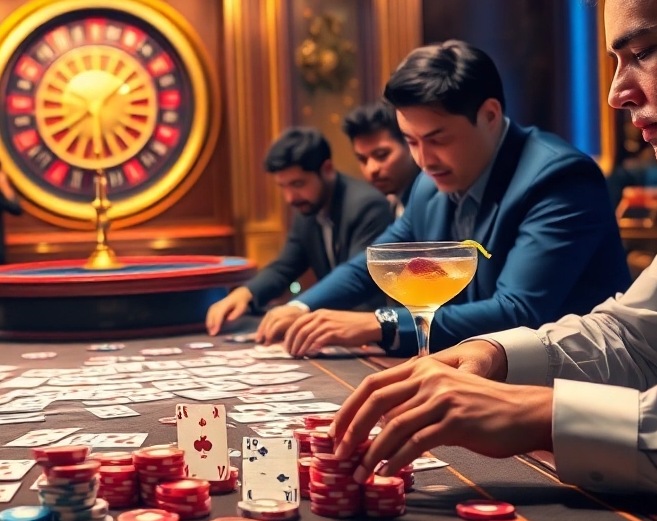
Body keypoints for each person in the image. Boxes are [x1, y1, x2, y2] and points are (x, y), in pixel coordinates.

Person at [330, 0, 657, 512]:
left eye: (641, 52)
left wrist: (546, 413)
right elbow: (633, 338)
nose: (618, 92)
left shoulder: (557, 173)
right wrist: (493, 358)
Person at [257, 41, 631, 357]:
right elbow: (376, 262)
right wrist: (301, 306)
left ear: (489, 115)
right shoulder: (428, 185)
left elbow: (520, 311)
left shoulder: (558, 178)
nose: (423, 159)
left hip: (568, 386)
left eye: (437, 139)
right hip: (475, 377)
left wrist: (380, 323)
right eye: (411, 141)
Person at [206, 127, 393, 335]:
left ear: (327, 169)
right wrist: (245, 293)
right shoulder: (308, 210)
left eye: (297, 184)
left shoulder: (367, 205)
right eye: (283, 186)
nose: (290, 198)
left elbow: (358, 279)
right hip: (330, 328)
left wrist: (297, 309)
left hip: (366, 329)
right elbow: (284, 267)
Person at [344, 102, 421, 218]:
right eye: (362, 159)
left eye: (381, 155)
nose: (371, 169)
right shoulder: (384, 206)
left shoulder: (433, 197)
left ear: (411, 144)